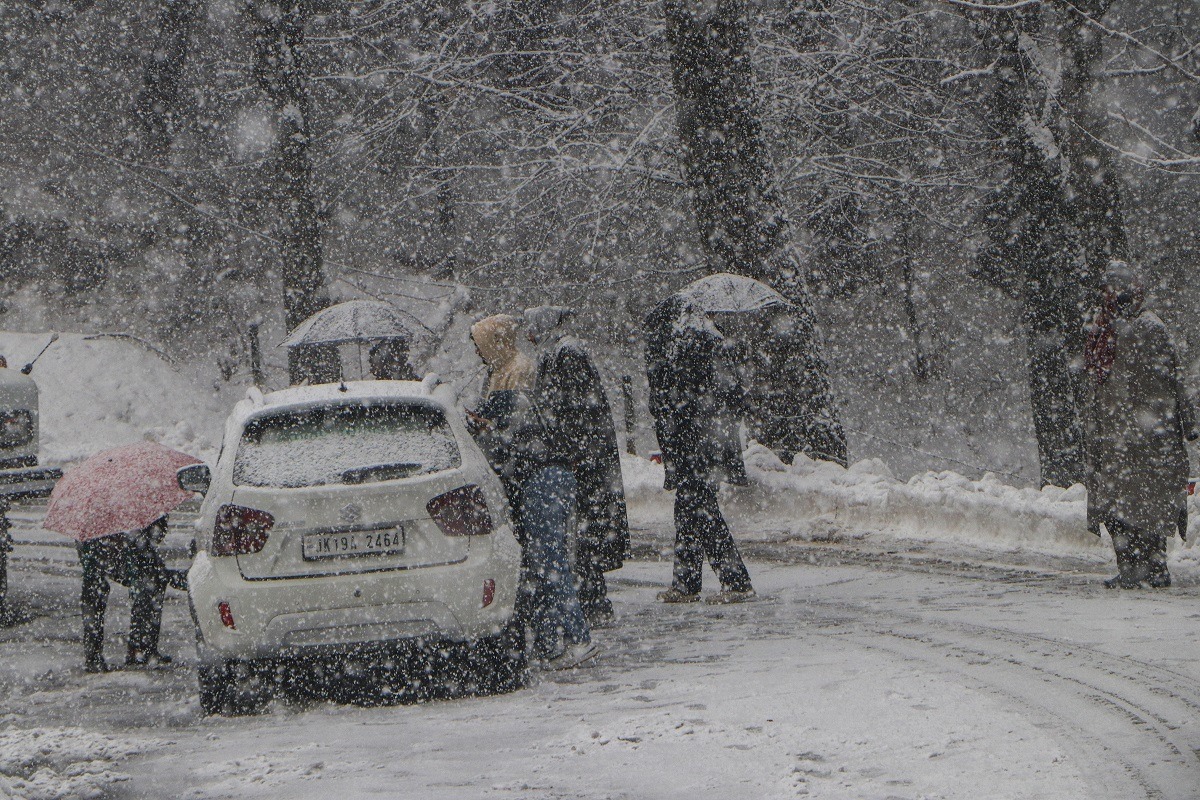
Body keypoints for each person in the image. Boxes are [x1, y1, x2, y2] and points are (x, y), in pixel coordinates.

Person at [468, 314, 596, 668]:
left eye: (481, 343)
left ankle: (578, 637)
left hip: (542, 476)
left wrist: (489, 426)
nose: (478, 352)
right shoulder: (499, 373)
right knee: (540, 564)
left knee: (550, 561)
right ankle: (551, 644)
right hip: (533, 475)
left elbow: (520, 431)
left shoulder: (520, 371)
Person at [1084, 259, 1198, 589]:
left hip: (1148, 437)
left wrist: (1184, 422)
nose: (1115, 298)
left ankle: (1153, 568)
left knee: (1148, 505)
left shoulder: (1149, 328)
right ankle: (1131, 568)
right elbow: (1096, 388)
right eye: (1110, 291)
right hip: (1114, 436)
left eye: (1120, 292)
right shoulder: (1103, 330)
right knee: (1117, 504)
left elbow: (1173, 379)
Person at [524, 306, 629, 626]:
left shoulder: (565, 354)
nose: (528, 335)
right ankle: (591, 601)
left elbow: (576, 409)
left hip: (583, 460)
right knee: (582, 535)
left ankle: (595, 603)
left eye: (530, 327)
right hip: (581, 457)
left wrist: (570, 451)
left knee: (585, 534)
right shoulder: (556, 352)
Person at [646, 300, 755, 604]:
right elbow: (731, 397)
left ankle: (735, 582)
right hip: (704, 446)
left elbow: (674, 401)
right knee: (690, 512)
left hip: (695, 447)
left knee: (700, 512)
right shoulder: (712, 343)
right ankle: (687, 583)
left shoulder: (690, 346)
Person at [77, 516, 187, 672]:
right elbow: (155, 536)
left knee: (95, 591)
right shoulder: (140, 505)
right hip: (119, 550)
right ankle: (139, 648)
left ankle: (98, 655)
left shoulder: (91, 510)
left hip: (104, 546)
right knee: (149, 583)